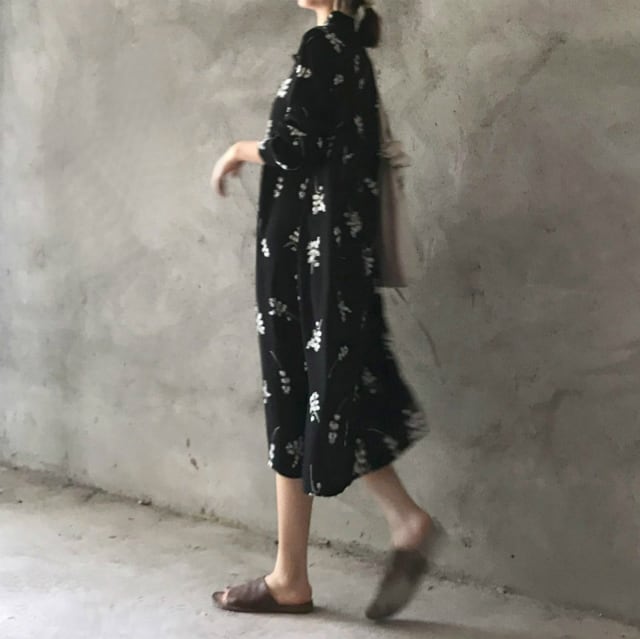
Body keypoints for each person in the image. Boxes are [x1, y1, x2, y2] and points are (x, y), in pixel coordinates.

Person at [210, 0, 439, 620]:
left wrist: (237, 148)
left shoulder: (326, 48)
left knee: (298, 393)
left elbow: (292, 147)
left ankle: (291, 577)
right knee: (332, 392)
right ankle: (403, 521)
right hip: (332, 262)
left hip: (307, 264)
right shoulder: (349, 52)